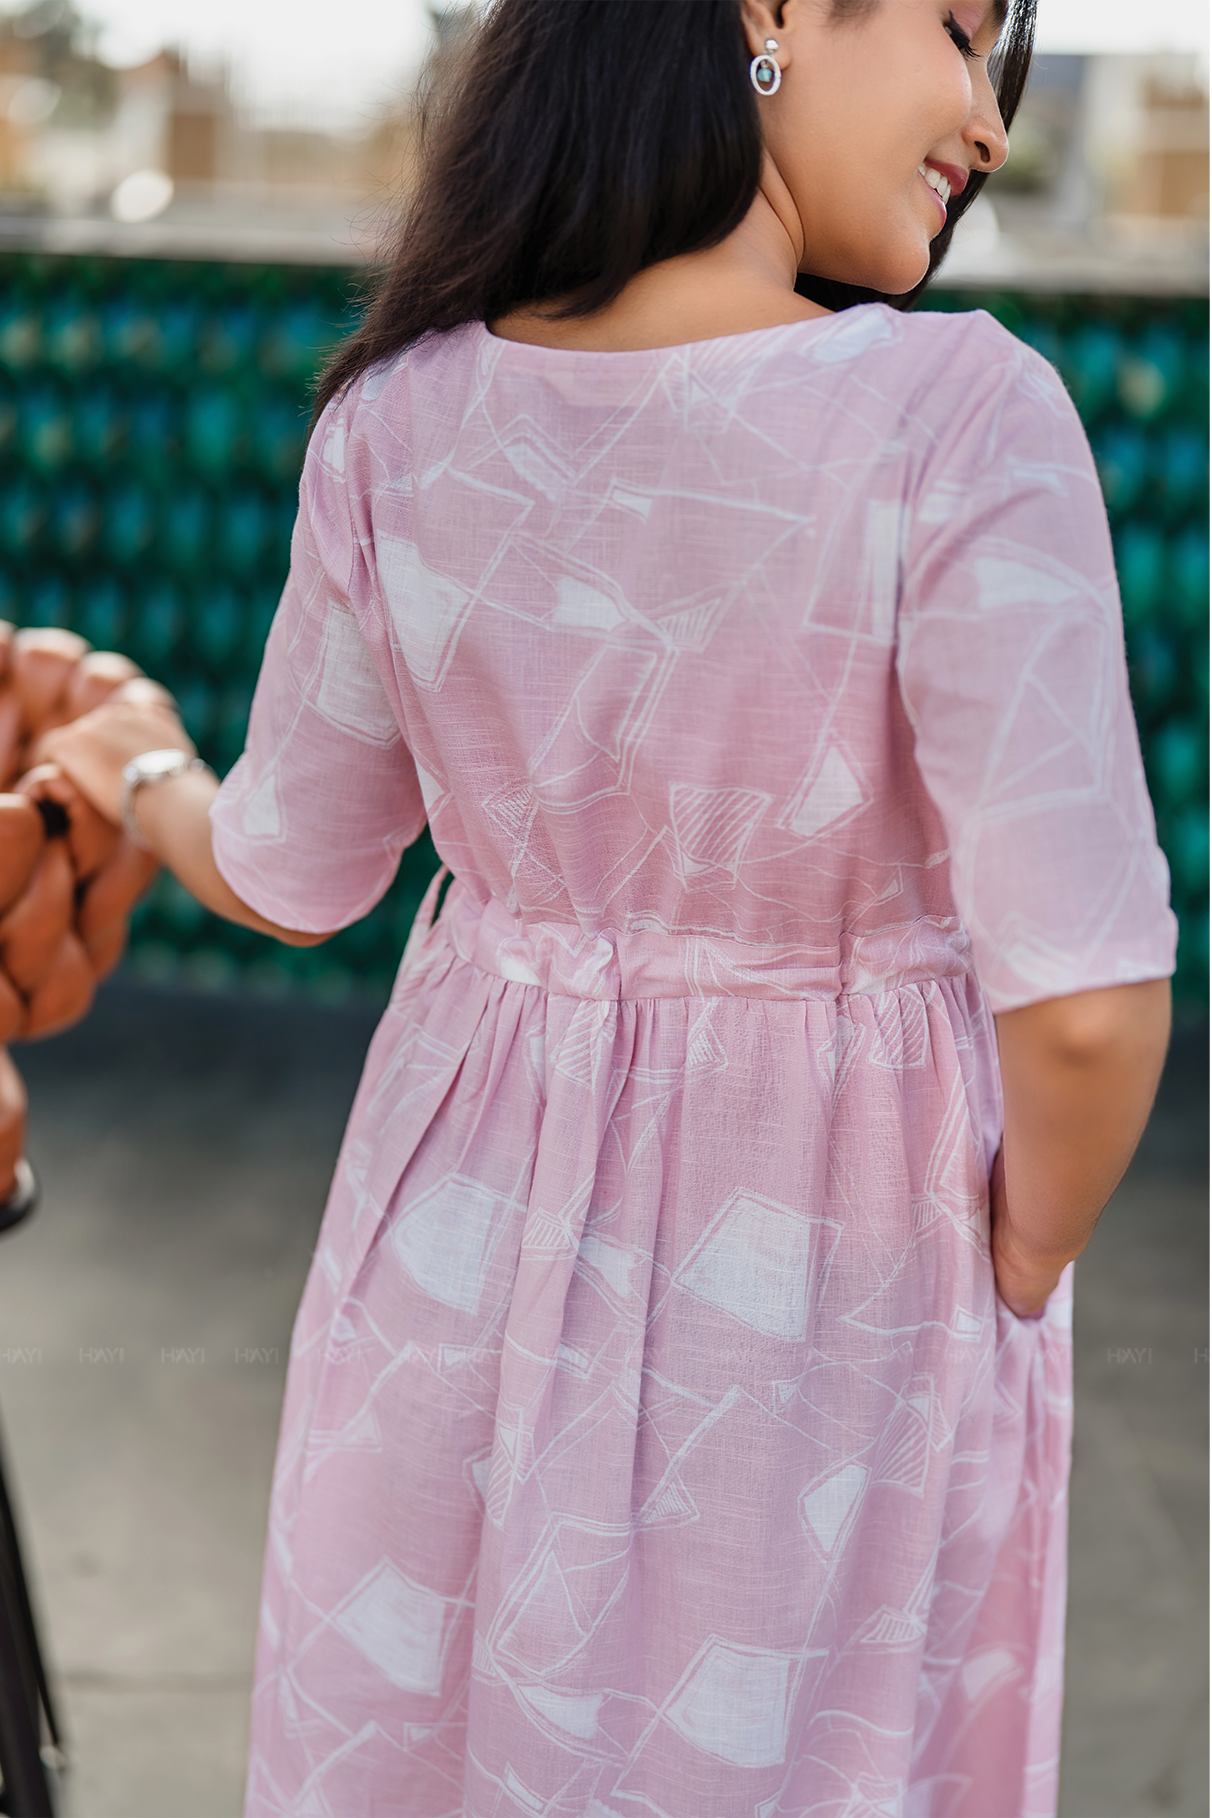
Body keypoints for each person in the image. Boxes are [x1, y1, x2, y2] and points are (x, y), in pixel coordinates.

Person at [42, 0, 1176, 1812]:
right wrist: (1026, 1258)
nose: (986, 112)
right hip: (831, 1287)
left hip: (447, 1257)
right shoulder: (959, 417)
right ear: (775, 14)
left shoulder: (395, 424)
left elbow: (290, 867)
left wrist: (144, 766)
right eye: (966, 33)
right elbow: (1094, 999)